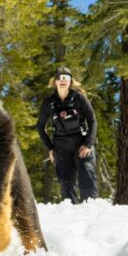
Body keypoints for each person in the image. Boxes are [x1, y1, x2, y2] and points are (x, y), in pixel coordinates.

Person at [36, 66, 98, 203]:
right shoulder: (48, 103)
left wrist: (88, 144)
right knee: (66, 183)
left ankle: (91, 211)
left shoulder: (79, 99)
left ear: (70, 82)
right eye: (60, 78)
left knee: (86, 174)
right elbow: (40, 127)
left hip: (81, 143)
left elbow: (92, 121)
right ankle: (72, 216)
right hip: (61, 146)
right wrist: (51, 148)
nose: (63, 80)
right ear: (55, 81)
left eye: (66, 78)